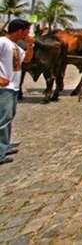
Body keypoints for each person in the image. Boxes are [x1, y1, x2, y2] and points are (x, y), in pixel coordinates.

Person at [0, 19, 33, 165]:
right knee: (2, 120)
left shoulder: (15, 46)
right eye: (27, 30)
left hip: (13, 87)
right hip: (3, 88)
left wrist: (30, 45)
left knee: (8, 118)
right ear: (20, 31)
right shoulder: (2, 42)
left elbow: (27, 60)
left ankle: (4, 146)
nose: (28, 33)